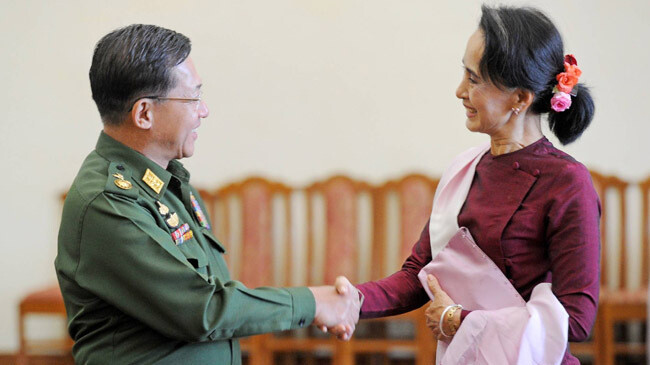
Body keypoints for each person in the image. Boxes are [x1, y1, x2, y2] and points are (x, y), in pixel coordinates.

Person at [54, 24, 360, 365]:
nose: (203, 111)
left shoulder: (167, 184)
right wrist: (315, 303)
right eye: (192, 98)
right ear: (144, 113)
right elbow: (203, 308)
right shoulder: (110, 201)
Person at [346, 5, 599, 364]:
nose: (459, 91)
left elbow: (576, 320)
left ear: (520, 99)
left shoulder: (567, 183)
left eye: (474, 78)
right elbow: (417, 276)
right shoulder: (465, 169)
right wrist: (347, 300)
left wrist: (458, 320)